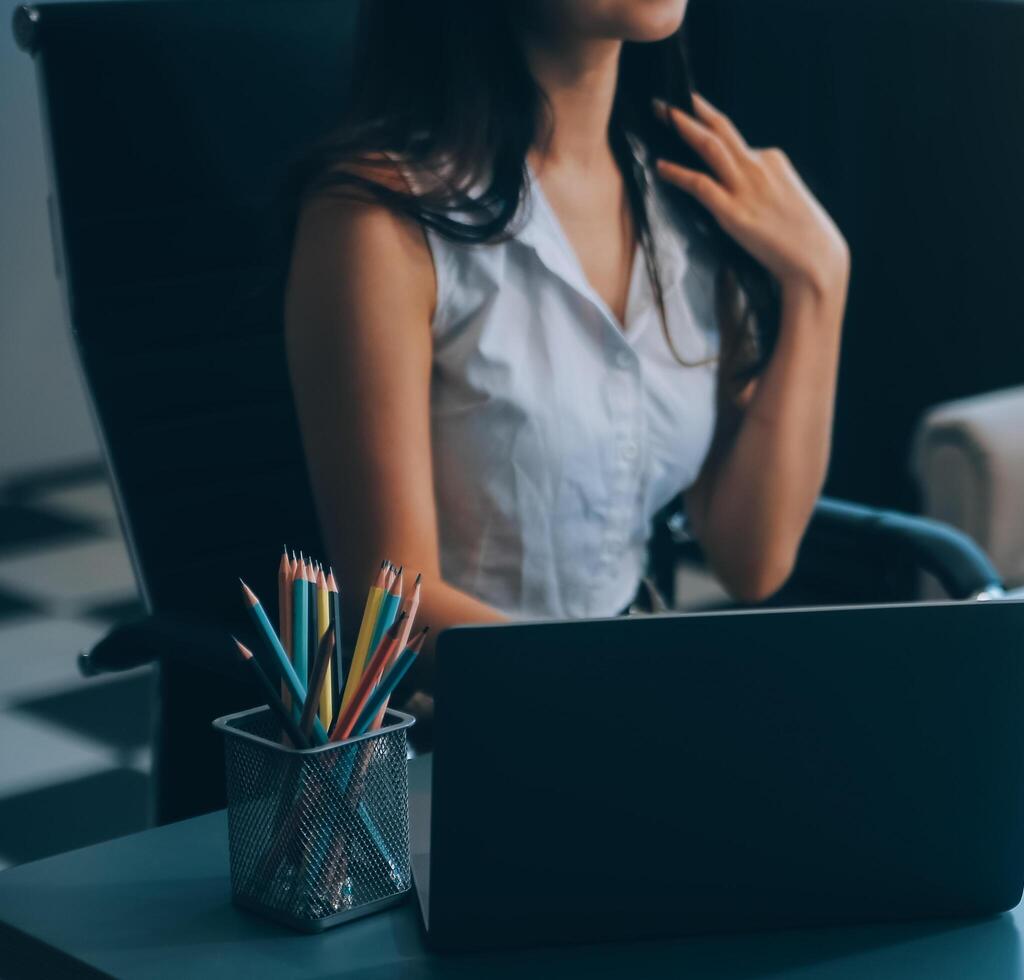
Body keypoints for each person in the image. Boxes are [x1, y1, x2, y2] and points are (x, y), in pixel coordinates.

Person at [284, 0, 849, 680]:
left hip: (616, 691)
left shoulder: (686, 200)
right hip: (462, 730)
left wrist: (820, 284)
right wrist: (624, 690)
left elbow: (750, 556)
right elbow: (391, 611)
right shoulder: (379, 220)